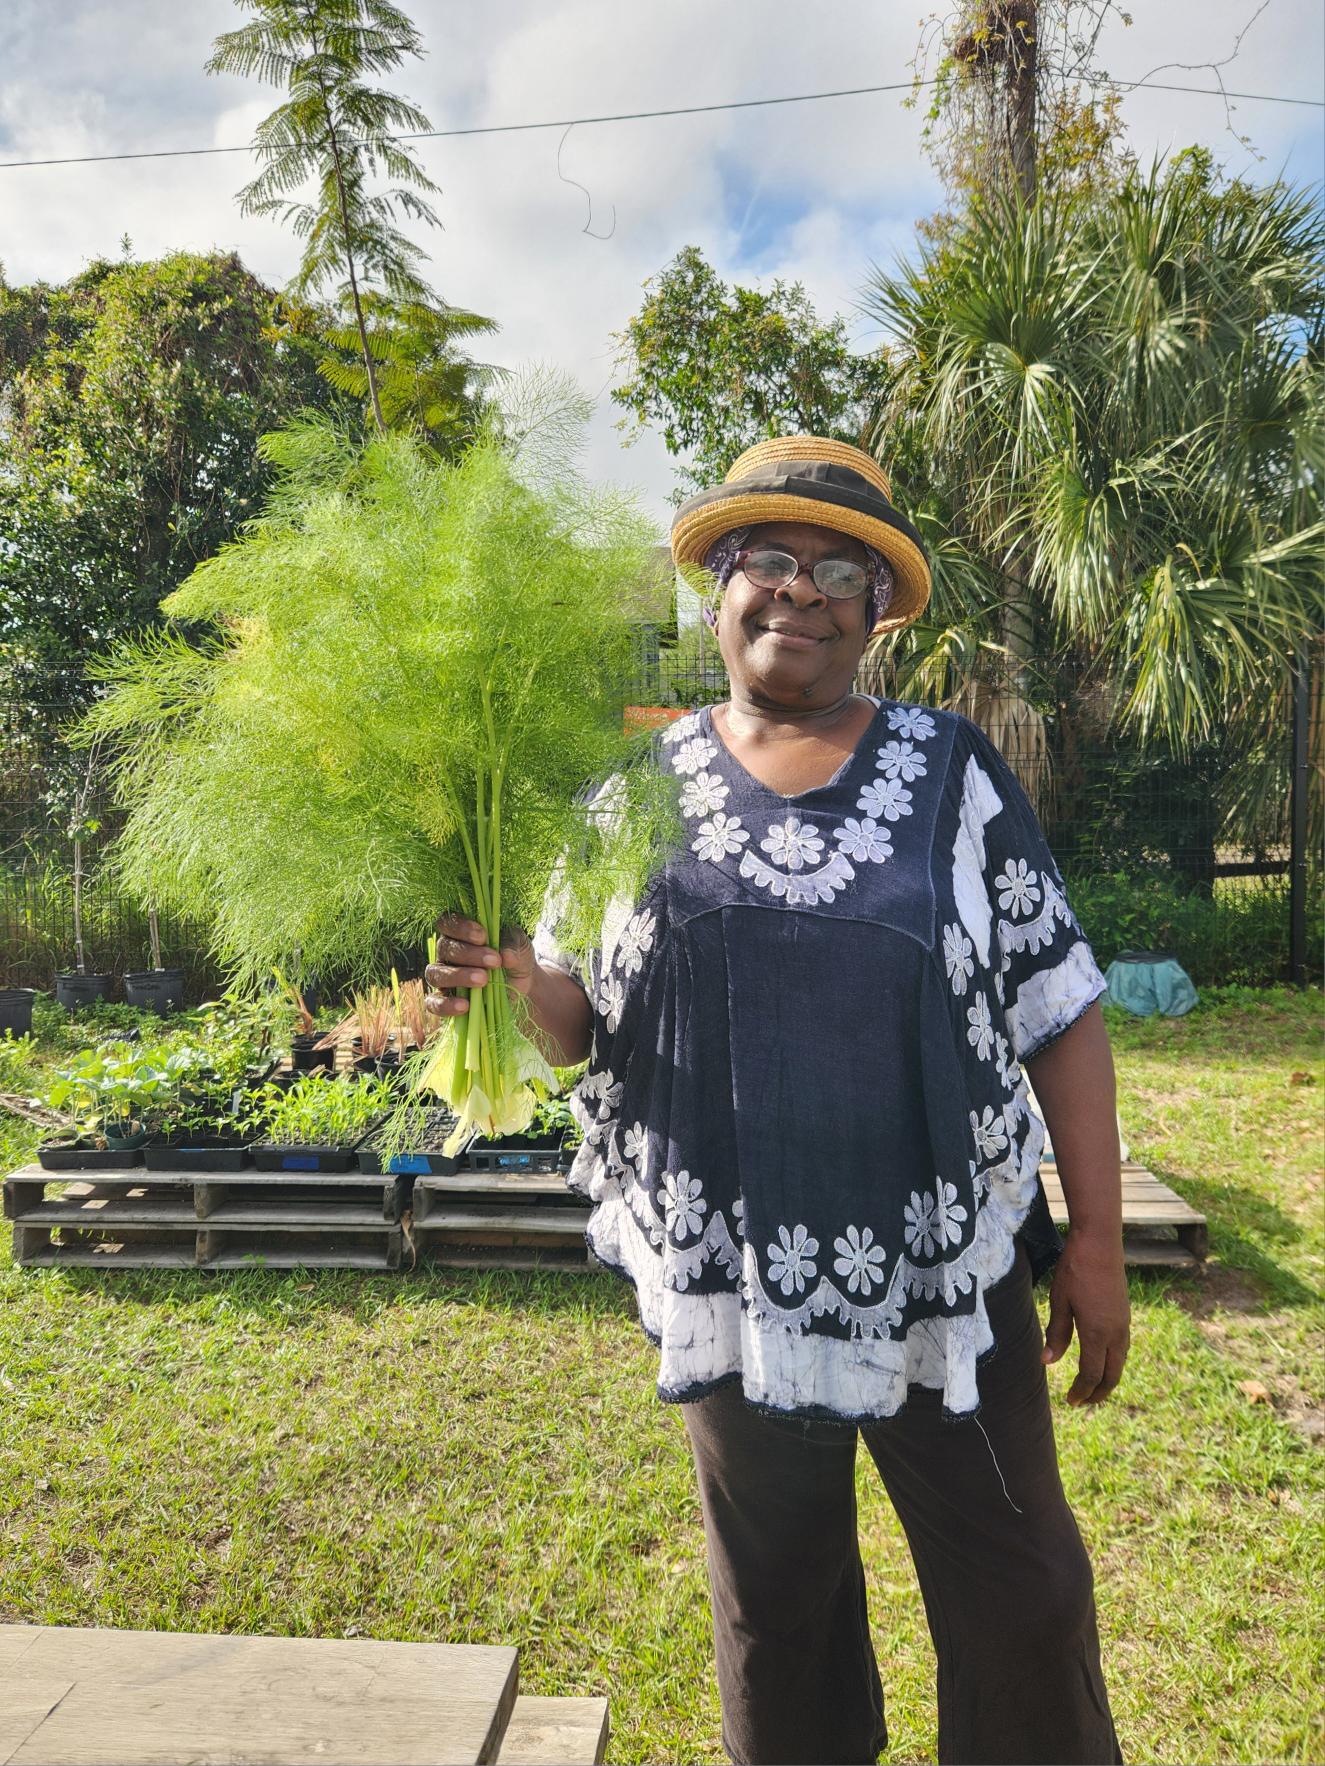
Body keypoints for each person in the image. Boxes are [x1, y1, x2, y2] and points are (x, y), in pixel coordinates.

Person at [425, 435, 1130, 1766]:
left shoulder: (950, 773)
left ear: (873, 612)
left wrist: (1090, 1236)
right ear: (718, 588)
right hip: (731, 1281)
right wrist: (504, 978)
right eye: (768, 558)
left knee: (1019, 1584)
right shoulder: (628, 794)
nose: (797, 591)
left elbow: (1060, 1001)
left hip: (944, 1272)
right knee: (777, 1607)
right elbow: (577, 1022)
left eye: (837, 570)